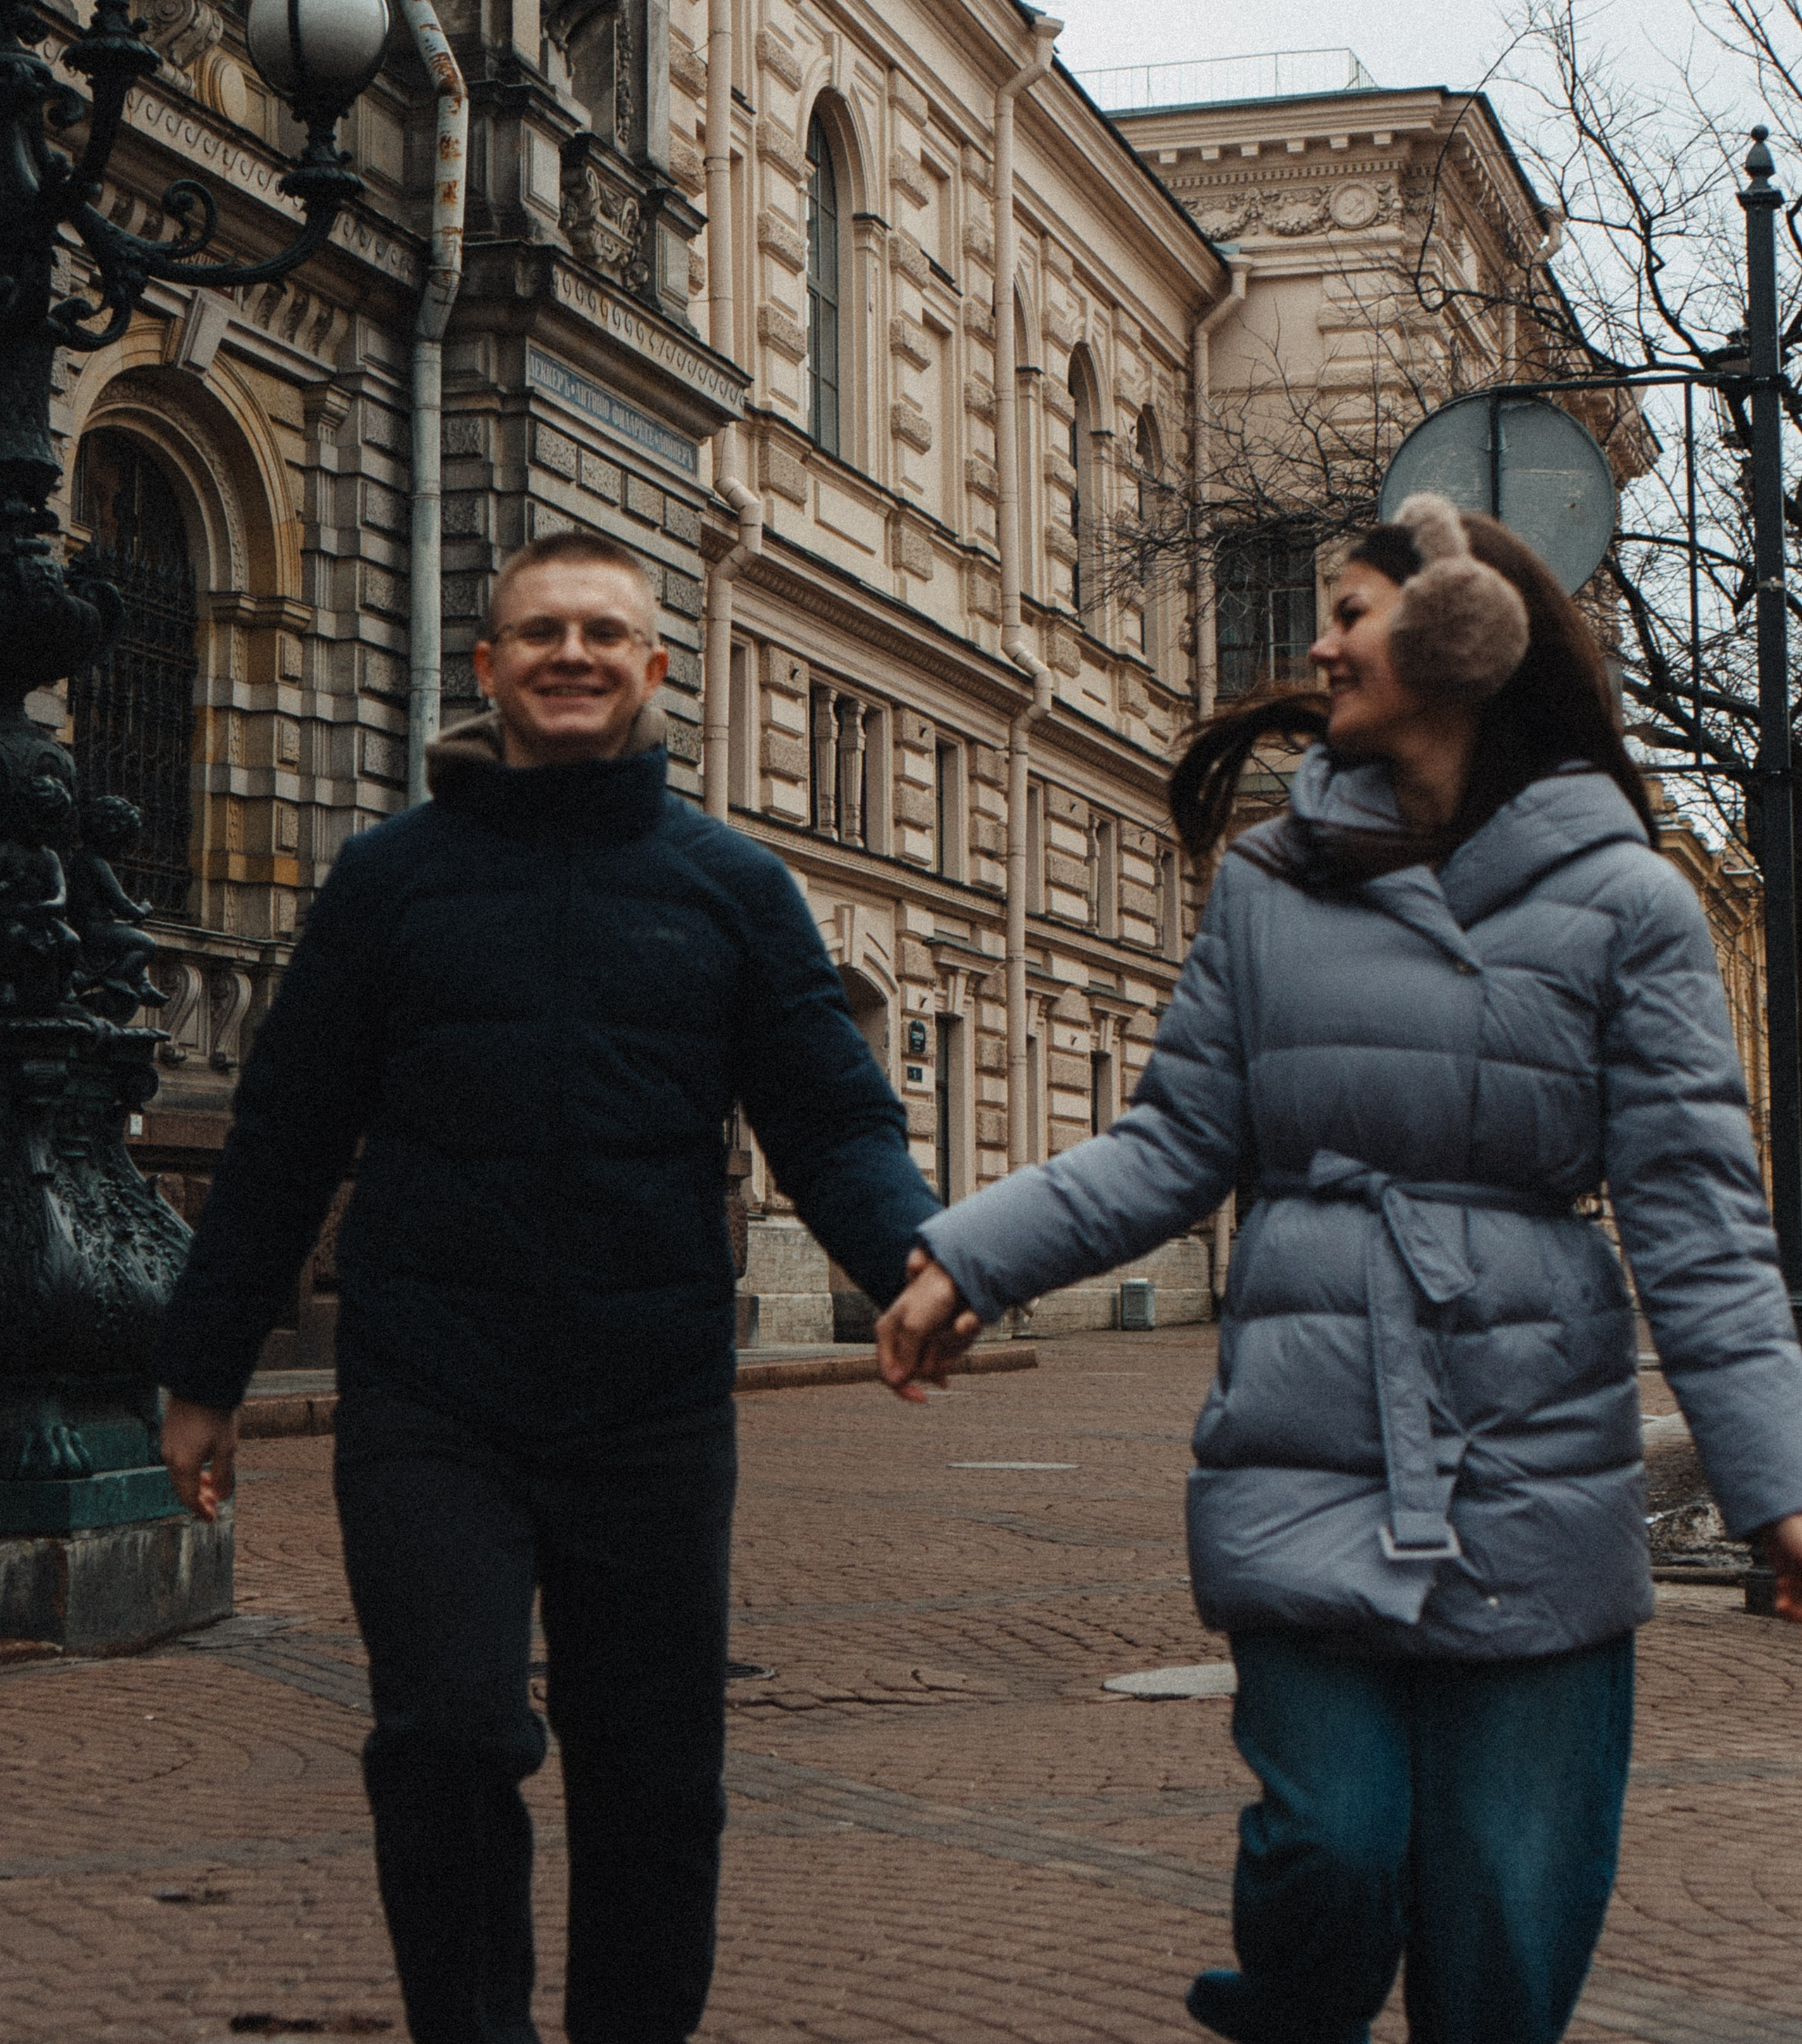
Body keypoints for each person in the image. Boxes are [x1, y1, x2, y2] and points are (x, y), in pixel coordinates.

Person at [879, 493, 1802, 2044]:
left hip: (1531, 1459)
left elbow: (1698, 1223)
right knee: (1330, 1851)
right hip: (1308, 1446)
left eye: (1351, 611)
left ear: (1464, 635)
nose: (1317, 647)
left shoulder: (1629, 903)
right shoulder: (1269, 885)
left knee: (1505, 1918)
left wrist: (1776, 1486)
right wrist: (967, 1259)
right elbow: (1170, 1144)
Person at [156, 529, 939, 2044]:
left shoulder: (732, 888)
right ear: (489, 666)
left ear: (656, 668)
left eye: (602, 633)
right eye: (539, 633)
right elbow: (283, 1134)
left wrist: (917, 1264)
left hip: (651, 1404)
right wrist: (206, 1369)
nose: (570, 654)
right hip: (430, 1397)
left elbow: (836, 1121)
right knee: (446, 1734)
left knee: (656, 1775)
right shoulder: (391, 881)